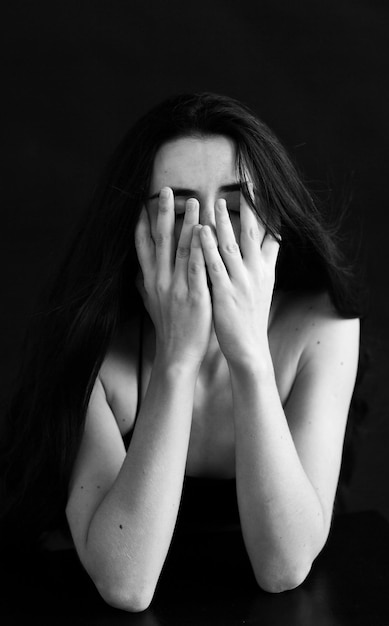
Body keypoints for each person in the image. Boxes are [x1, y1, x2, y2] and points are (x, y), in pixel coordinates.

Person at [0, 92, 362, 612]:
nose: (211, 236)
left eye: (235, 208)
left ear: (273, 227)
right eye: (178, 212)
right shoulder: (99, 354)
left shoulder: (321, 326)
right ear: (138, 233)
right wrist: (175, 359)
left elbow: (284, 567)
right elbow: (126, 583)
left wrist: (249, 355)